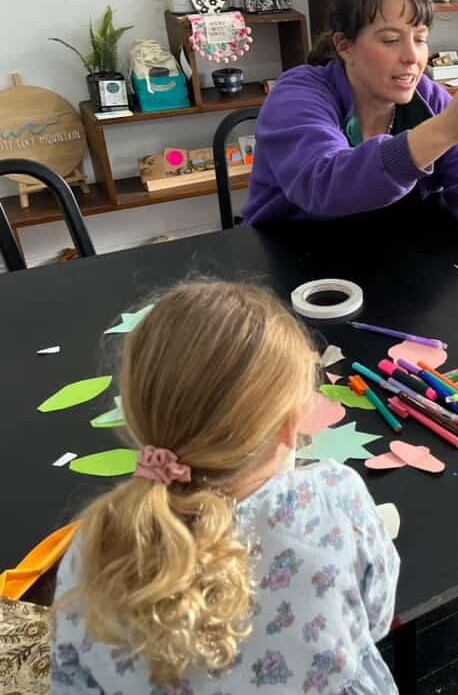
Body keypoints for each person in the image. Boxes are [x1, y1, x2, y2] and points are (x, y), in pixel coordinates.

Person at [51, 281, 401, 693]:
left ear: (137, 411)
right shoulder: (334, 496)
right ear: (291, 427)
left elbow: (70, 679)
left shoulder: (95, 544)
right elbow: (376, 618)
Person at [241, 0, 458, 245]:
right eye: (391, 40)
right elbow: (323, 183)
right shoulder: (298, 93)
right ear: (344, 46)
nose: (412, 56)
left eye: (420, 38)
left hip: (387, 259)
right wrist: (444, 130)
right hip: (289, 261)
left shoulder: (428, 97)